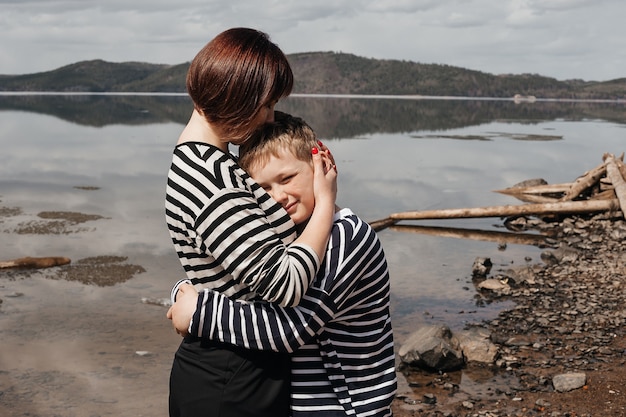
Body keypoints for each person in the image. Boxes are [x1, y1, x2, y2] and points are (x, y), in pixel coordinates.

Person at [169, 111, 397, 417]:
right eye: (263, 189)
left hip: (345, 406)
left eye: (287, 178)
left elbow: (290, 329)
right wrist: (185, 289)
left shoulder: (347, 238)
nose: (279, 196)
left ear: (321, 162)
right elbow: (240, 286)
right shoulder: (294, 237)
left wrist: (200, 313)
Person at [165, 28, 337, 417]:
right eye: (265, 105)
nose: (270, 118)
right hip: (231, 376)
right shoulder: (212, 182)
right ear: (236, 97)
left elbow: (223, 267)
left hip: (239, 362)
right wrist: (325, 202)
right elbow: (286, 285)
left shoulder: (212, 165)